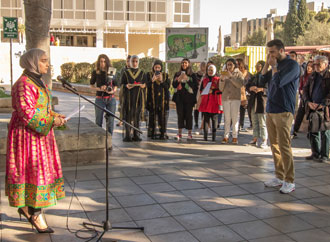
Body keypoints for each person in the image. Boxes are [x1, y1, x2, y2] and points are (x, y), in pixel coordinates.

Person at [5, 48, 66, 233]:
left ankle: (30, 209)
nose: (47, 64)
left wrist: (55, 116)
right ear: (32, 62)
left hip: (39, 135)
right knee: (31, 173)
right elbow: (27, 113)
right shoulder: (24, 83)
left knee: (39, 173)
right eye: (43, 61)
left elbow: (42, 108)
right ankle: (33, 212)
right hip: (27, 137)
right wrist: (50, 120)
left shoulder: (38, 81)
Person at [262, 39, 300, 194]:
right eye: (268, 52)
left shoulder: (292, 66)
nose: (270, 55)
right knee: (274, 145)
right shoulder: (272, 65)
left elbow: (279, 82)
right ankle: (279, 176)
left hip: (284, 110)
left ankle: (289, 180)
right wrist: (267, 64)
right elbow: (262, 79)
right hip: (271, 108)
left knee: (284, 146)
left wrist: (275, 66)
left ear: (282, 51)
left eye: (272, 52)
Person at [303, 56, 330, 162]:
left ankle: (324, 155)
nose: (316, 66)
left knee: (325, 132)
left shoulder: (328, 76)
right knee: (313, 131)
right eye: (315, 64)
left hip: (325, 108)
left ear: (325, 64)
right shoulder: (313, 76)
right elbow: (305, 89)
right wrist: (308, 101)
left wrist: (323, 103)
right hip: (312, 106)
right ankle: (315, 153)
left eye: (319, 64)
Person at [90, 54, 117, 135]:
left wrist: (112, 91)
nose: (103, 63)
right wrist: (99, 88)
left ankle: (109, 141)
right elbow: (91, 85)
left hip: (110, 98)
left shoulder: (112, 71)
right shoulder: (96, 72)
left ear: (107, 62)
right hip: (99, 98)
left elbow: (116, 85)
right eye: (101, 61)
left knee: (110, 121)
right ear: (98, 62)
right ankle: (99, 141)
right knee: (98, 121)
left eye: (104, 61)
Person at [121, 55, 147, 142]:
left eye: (136, 61)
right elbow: (122, 84)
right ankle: (128, 135)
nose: (135, 63)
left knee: (137, 116)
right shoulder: (126, 73)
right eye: (133, 61)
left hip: (138, 97)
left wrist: (143, 85)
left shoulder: (142, 73)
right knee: (128, 115)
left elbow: (145, 84)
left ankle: (136, 135)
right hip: (129, 97)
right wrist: (126, 85)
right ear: (130, 62)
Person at [172, 58, 198, 140]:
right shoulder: (177, 74)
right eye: (182, 63)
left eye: (185, 63)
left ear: (189, 64)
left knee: (189, 116)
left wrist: (187, 78)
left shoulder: (193, 75)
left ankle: (189, 134)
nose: (184, 64)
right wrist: (179, 79)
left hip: (189, 99)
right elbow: (174, 85)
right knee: (180, 115)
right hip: (179, 98)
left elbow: (195, 86)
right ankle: (179, 133)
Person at [219, 58, 244, 144]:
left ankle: (235, 136)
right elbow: (220, 88)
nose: (229, 66)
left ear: (234, 65)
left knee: (234, 118)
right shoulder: (224, 73)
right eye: (227, 65)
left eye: (231, 64)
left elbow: (239, 84)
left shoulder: (239, 74)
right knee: (227, 118)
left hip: (235, 98)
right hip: (226, 98)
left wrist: (231, 77)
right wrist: (222, 79)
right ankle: (226, 136)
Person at [246, 60, 268, 148]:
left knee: (262, 122)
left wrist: (261, 89)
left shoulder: (266, 77)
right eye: (256, 65)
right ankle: (255, 138)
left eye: (259, 65)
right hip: (253, 101)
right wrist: (250, 88)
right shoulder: (254, 76)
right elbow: (247, 86)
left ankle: (264, 140)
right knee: (254, 121)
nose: (257, 67)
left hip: (262, 101)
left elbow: (269, 88)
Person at [146, 59, 170, 140]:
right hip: (152, 100)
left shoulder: (166, 75)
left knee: (162, 117)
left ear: (161, 68)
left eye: (159, 67)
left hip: (162, 101)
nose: (157, 69)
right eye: (156, 67)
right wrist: (152, 80)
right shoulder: (149, 75)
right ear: (153, 67)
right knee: (152, 117)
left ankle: (162, 133)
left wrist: (161, 80)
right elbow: (146, 86)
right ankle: (152, 134)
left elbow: (167, 87)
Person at [199, 64, 222, 141]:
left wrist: (213, 91)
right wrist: (204, 92)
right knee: (205, 120)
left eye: (212, 70)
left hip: (214, 102)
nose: (210, 71)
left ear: (214, 71)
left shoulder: (218, 79)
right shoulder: (204, 80)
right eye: (209, 70)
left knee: (214, 120)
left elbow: (220, 90)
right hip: (205, 102)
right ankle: (205, 137)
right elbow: (201, 90)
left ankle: (214, 137)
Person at [292, 61, 314, 138]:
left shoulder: (314, 77)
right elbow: (300, 86)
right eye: (308, 66)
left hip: (311, 99)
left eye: (311, 66)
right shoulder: (303, 77)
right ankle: (294, 130)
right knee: (299, 114)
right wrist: (301, 90)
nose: (309, 68)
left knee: (311, 116)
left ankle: (310, 132)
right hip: (303, 98)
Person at [236, 58, 252, 132]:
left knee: (246, 110)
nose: (237, 66)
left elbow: (249, 83)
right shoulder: (235, 73)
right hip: (236, 93)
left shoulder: (248, 74)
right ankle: (237, 125)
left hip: (246, 95)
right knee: (236, 110)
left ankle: (242, 124)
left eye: (238, 64)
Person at [115, 55, 131, 127]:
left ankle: (130, 121)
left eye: (130, 61)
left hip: (131, 91)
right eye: (127, 61)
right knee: (122, 105)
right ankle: (121, 121)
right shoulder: (123, 69)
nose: (128, 63)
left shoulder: (135, 69)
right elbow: (121, 80)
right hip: (123, 89)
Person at [194, 62, 206, 130]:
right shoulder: (196, 74)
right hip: (197, 93)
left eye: (204, 66)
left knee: (203, 109)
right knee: (196, 108)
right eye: (202, 66)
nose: (203, 67)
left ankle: (202, 122)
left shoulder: (207, 75)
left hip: (204, 93)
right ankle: (196, 123)